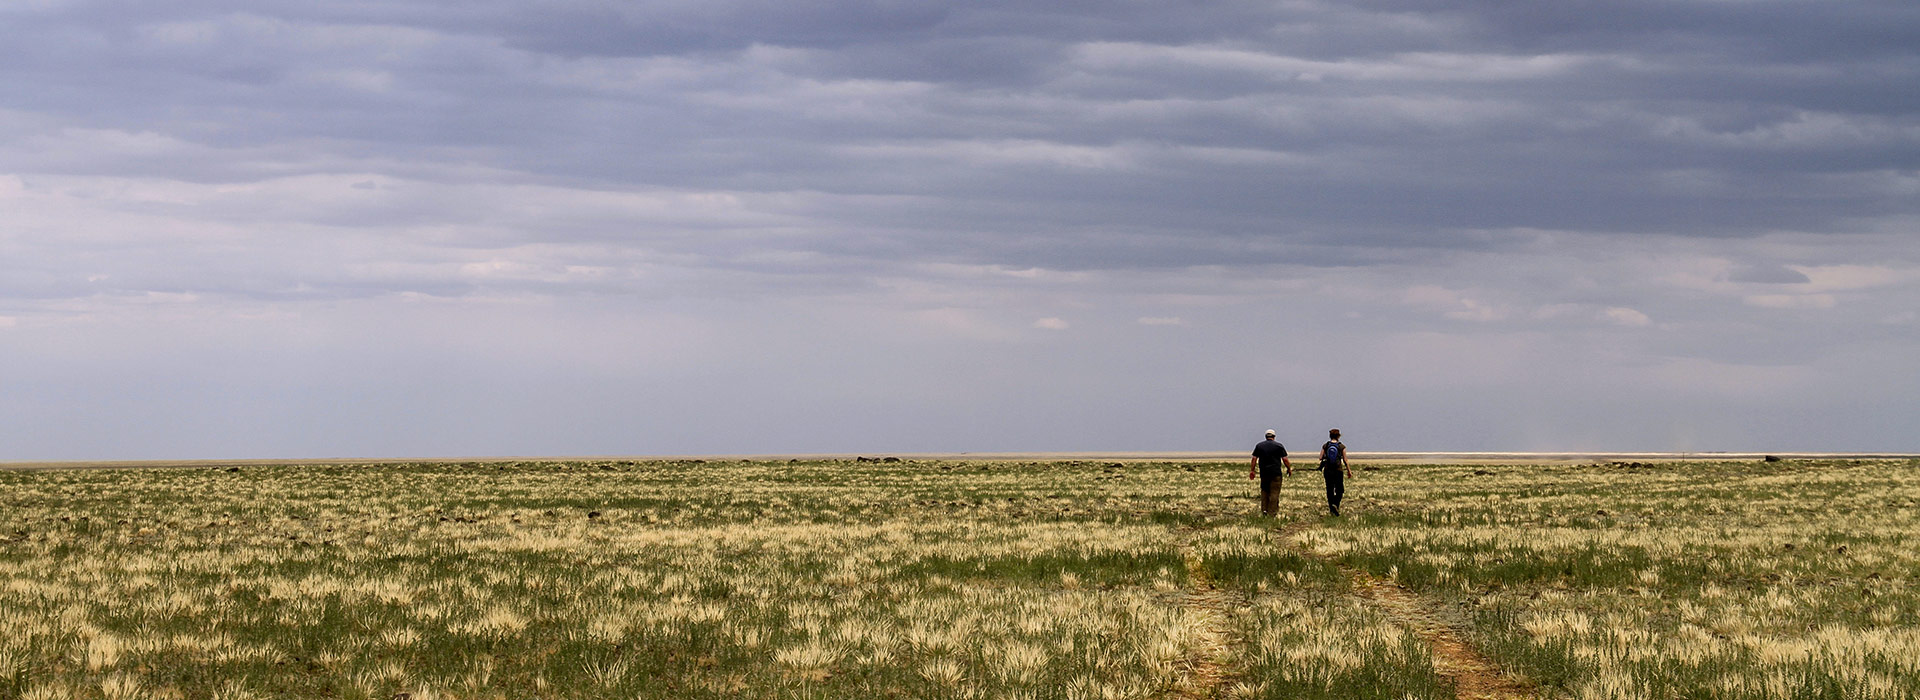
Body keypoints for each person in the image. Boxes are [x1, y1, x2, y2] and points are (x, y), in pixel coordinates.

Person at [1249, 429, 1291, 517]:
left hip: (1264, 473)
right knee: (1274, 493)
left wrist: (1252, 470)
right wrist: (1289, 469)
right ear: (1274, 437)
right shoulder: (1279, 446)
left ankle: (1264, 510)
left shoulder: (1259, 446)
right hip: (1276, 473)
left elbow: (1254, 459)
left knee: (1264, 491)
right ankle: (1272, 513)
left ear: (1266, 437)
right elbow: (1285, 459)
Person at [1319, 429, 1352, 516]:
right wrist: (1349, 471)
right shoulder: (1341, 447)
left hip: (1328, 470)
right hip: (1338, 471)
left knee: (1329, 489)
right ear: (1338, 436)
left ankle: (1331, 508)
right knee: (1339, 489)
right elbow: (1345, 460)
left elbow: (1320, 457)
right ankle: (1336, 504)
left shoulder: (1325, 446)